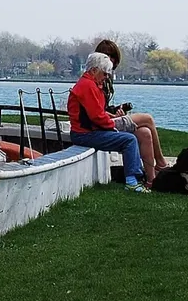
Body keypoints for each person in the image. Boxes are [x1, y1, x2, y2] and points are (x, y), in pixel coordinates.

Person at [67, 53, 149, 192]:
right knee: (129, 140)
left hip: (87, 132)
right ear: (94, 70)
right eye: (104, 74)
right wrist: (113, 126)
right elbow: (96, 117)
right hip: (85, 134)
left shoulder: (87, 84)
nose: (106, 77)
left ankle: (137, 177)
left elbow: (95, 113)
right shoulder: (88, 86)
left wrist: (109, 118)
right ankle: (132, 181)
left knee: (133, 137)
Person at [94, 38, 169, 182]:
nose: (110, 59)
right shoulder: (96, 79)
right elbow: (95, 112)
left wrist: (115, 112)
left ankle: (151, 180)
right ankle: (160, 162)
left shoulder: (106, 79)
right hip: (103, 124)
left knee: (145, 133)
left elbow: (101, 108)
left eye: (112, 56)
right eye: (106, 55)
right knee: (147, 119)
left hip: (109, 118)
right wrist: (112, 115)